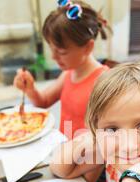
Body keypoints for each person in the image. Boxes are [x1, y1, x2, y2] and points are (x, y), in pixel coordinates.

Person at [13, 0, 111, 140]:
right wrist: (30, 89)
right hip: (65, 150)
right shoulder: (69, 74)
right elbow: (44, 102)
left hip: (87, 157)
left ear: (88, 47)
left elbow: (110, 134)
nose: (53, 57)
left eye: (61, 52)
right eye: (51, 49)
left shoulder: (104, 82)